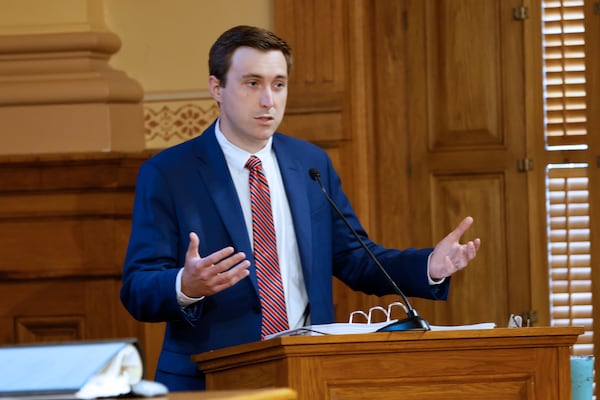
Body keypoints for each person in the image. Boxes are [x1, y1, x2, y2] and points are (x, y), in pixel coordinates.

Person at [120, 25, 481, 392]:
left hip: (309, 375)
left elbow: (355, 258)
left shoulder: (310, 163)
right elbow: (137, 288)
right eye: (252, 84)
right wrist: (186, 285)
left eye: (278, 84)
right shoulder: (168, 173)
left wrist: (429, 266)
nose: (268, 101)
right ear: (217, 88)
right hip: (211, 382)